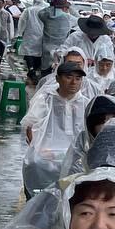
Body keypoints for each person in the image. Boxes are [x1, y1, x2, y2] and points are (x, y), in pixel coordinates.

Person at [21, 60, 89, 195]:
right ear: (58, 78)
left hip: (75, 153)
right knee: (34, 163)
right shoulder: (45, 99)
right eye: (68, 77)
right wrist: (38, 149)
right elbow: (30, 126)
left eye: (78, 78)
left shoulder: (86, 103)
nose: (73, 82)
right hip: (47, 150)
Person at [37, 0, 73, 75]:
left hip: (46, 52)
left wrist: (51, 6)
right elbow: (78, 20)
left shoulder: (46, 16)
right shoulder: (68, 18)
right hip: (61, 52)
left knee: (45, 76)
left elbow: (40, 13)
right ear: (64, 7)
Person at [16, 0, 46, 82]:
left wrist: (20, 32)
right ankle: (34, 70)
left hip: (30, 34)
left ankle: (31, 69)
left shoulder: (28, 10)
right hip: (42, 35)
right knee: (39, 54)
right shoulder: (45, 10)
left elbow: (22, 21)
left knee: (29, 53)